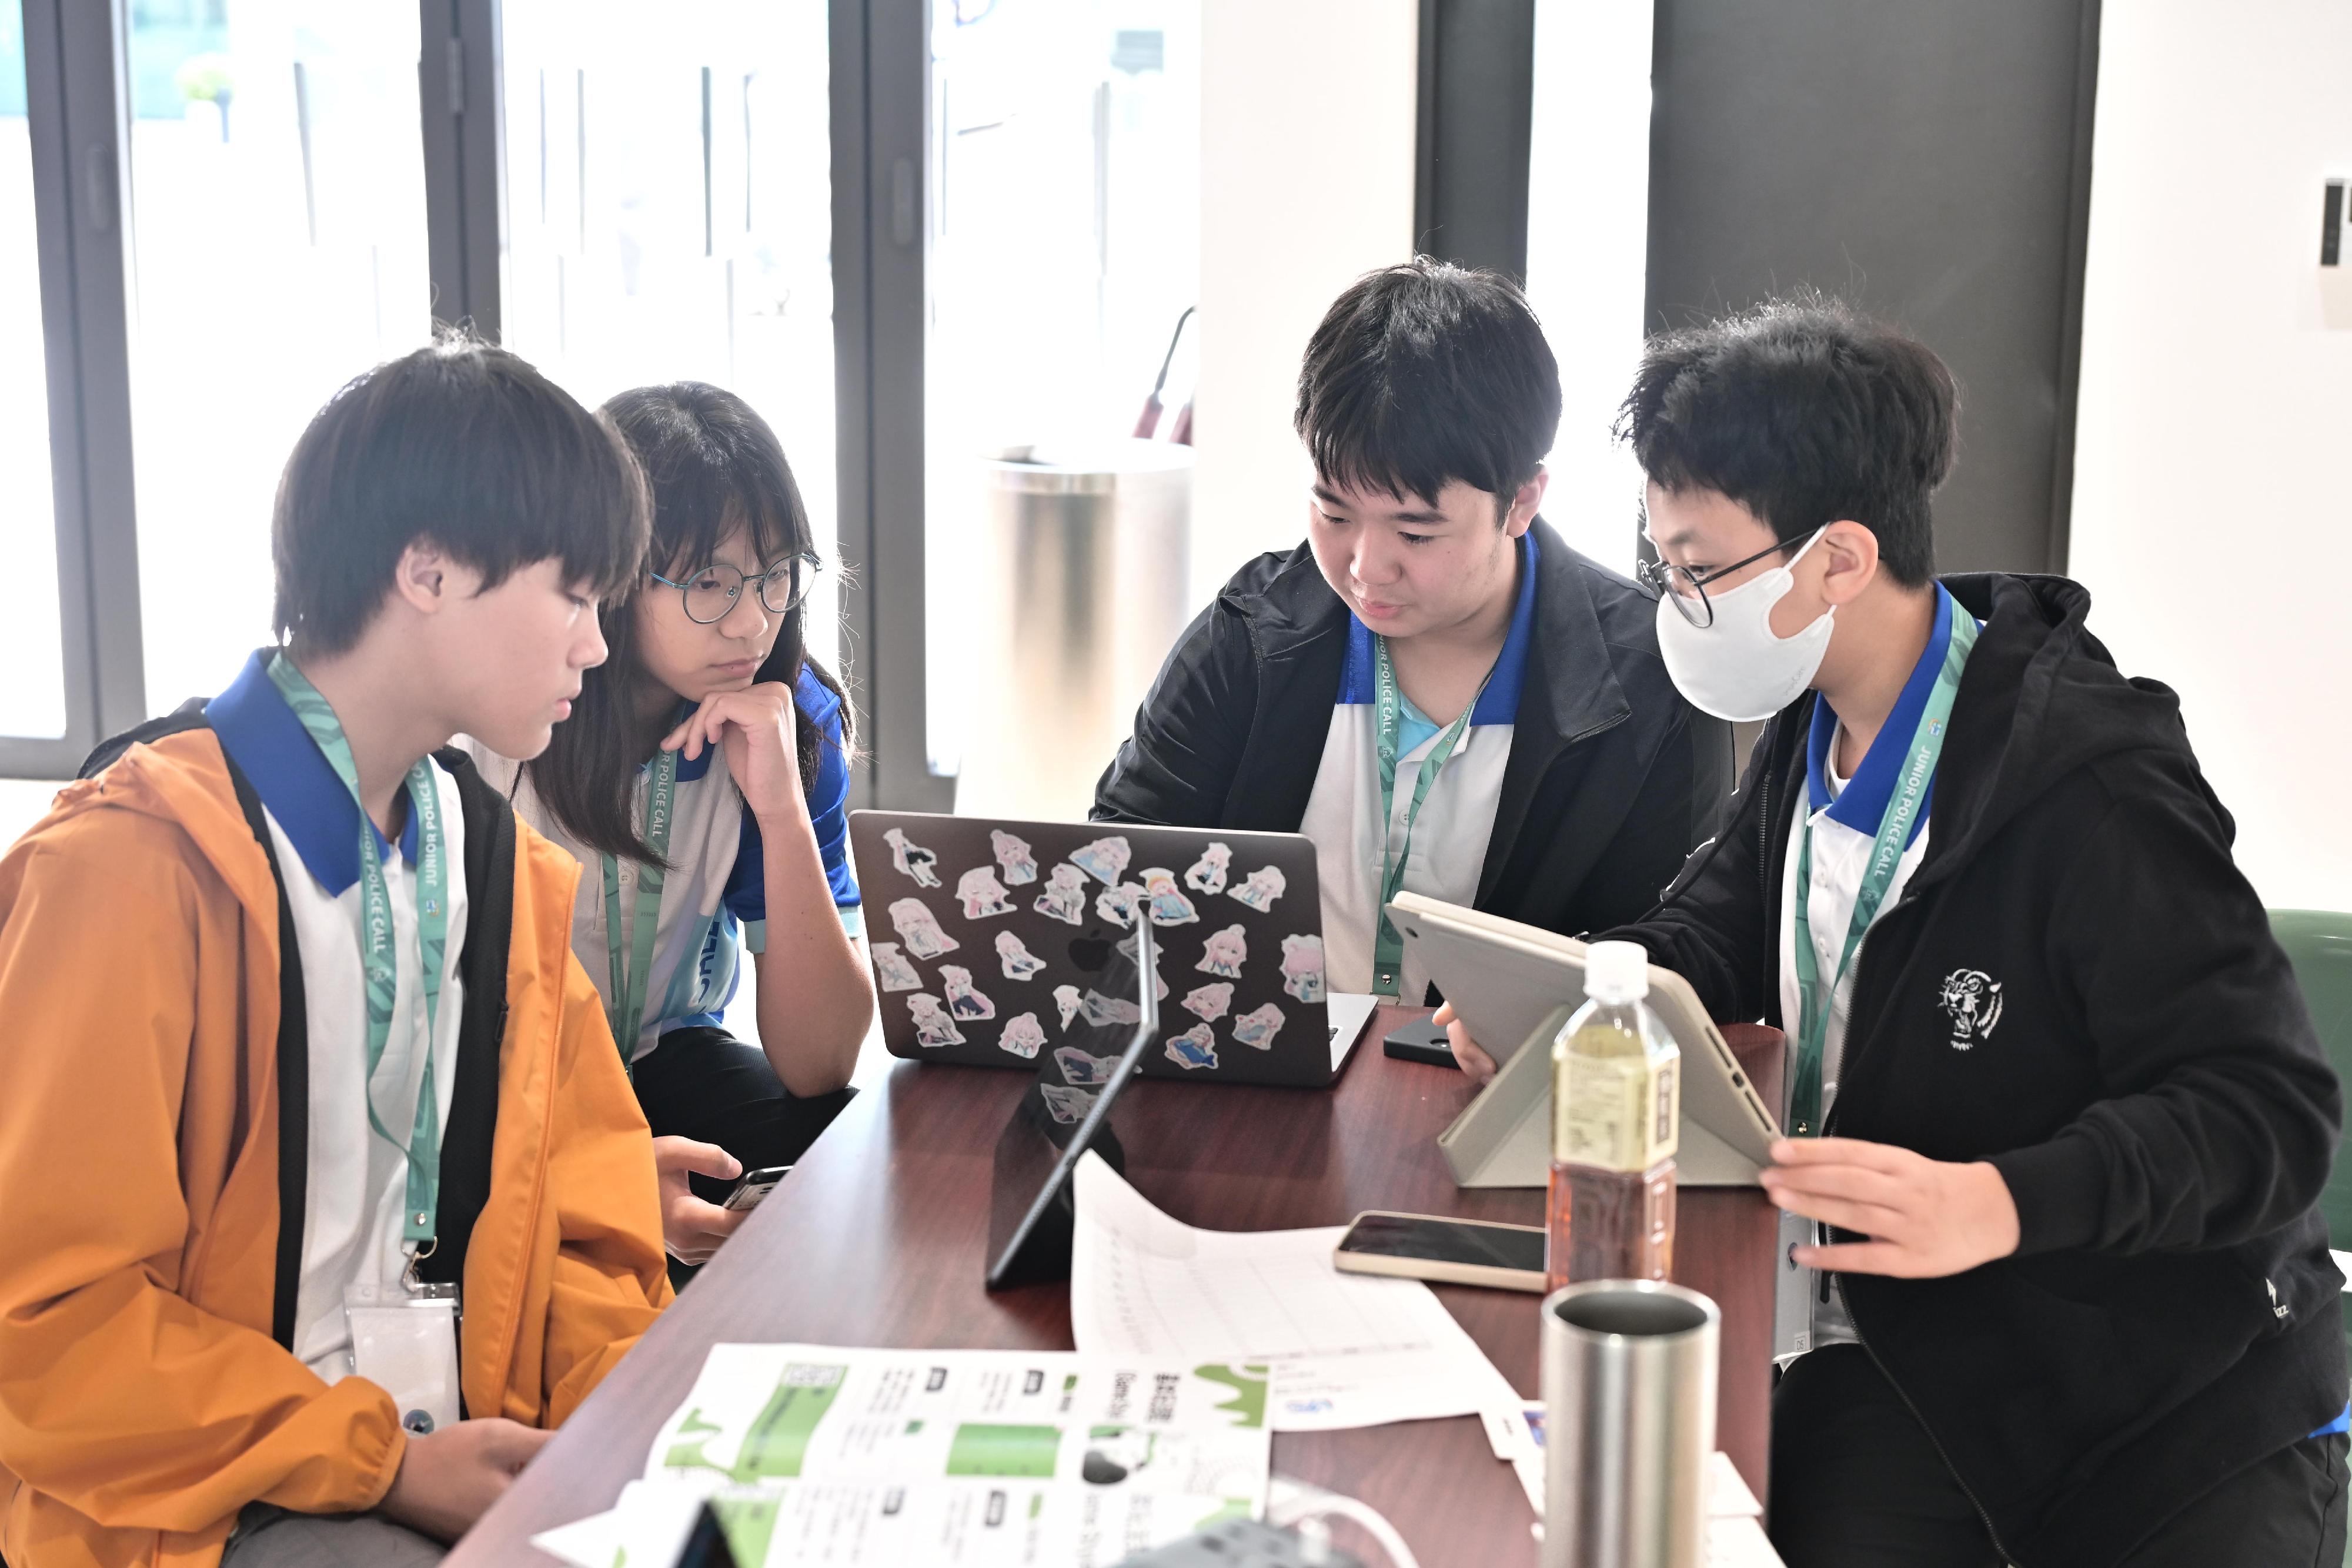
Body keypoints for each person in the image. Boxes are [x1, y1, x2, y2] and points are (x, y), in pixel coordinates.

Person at [1442, 297, 2348, 1565]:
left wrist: (1996, 1201)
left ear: (1838, 560)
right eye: (1662, 564)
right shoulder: (1816, 723)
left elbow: (2271, 1113)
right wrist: (1580, 1008)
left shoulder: (2090, 785)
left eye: (1700, 569)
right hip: (1917, 1346)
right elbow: (1714, 924)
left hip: (2156, 1404)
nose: (1676, 604)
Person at [0, 336, 672, 1567]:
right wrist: (383, 1461)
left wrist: (617, 1434)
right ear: (426, 569)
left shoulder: (493, 864)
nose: (594, 645)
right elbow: (46, 1322)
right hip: (207, 1503)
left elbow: (589, 1211)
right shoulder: (130, 869)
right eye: (574, 595)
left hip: (456, 1448)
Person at [1093, 259, 1733, 1004]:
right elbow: (1121, 852)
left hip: (1498, 1095)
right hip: (1264, 1080)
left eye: (1416, 533)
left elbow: (1658, 957)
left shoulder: (1645, 686)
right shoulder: (1253, 632)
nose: (1366, 568)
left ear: (1522, 500)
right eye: (1334, 514)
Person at [467, 382, 871, 1271]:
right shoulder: (517, 707)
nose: (750, 620)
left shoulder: (784, 719)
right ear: (614, 575)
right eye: (706, 583)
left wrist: (779, 804)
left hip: (660, 1052)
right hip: (497, 1078)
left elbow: (822, 1061)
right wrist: (594, 1170)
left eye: (773, 576)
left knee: (845, 1148)